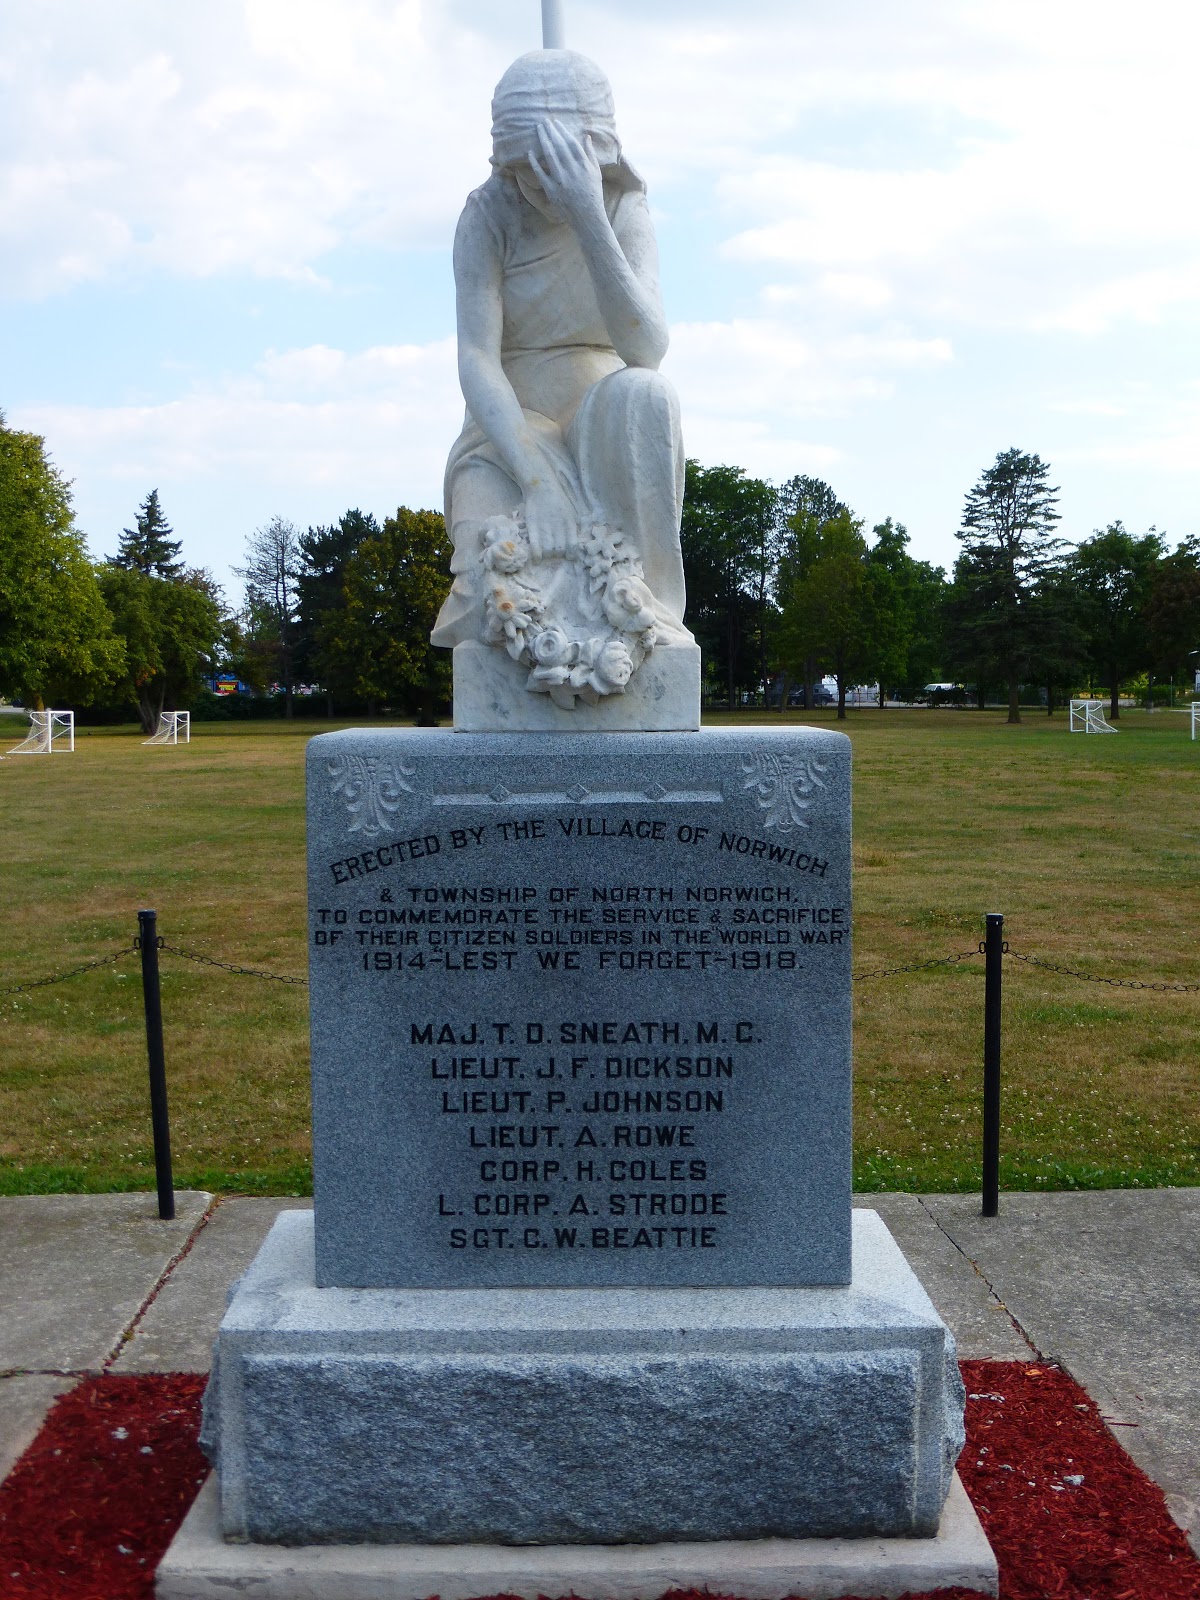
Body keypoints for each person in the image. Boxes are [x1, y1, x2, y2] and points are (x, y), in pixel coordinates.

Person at [431, 47, 692, 681]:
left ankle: (645, 613)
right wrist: (538, 484)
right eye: (525, 170)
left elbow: (646, 347)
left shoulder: (622, 211)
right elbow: (476, 358)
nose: (538, 186)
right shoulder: (488, 214)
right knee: (499, 566)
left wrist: (588, 217)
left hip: (602, 435)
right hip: (508, 437)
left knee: (648, 394)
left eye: (557, 169)